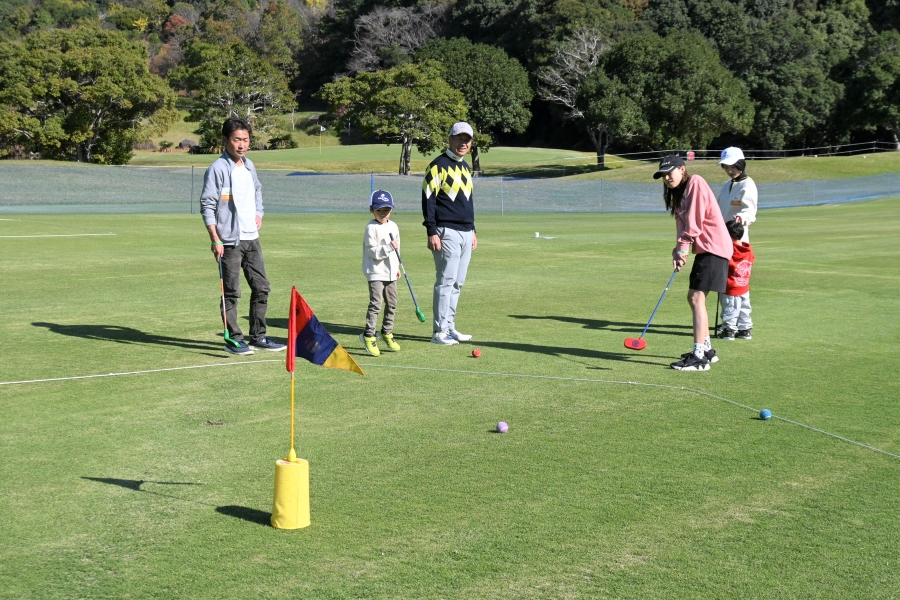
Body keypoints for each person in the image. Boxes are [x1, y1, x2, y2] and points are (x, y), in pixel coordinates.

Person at [200, 117, 285, 355]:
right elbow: (207, 205)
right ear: (226, 140)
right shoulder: (217, 169)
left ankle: (258, 336)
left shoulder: (249, 166)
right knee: (232, 292)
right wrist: (215, 238)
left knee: (262, 287)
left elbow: (257, 189)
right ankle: (234, 339)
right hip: (229, 241)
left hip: (252, 238)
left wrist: (259, 212)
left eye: (245, 140)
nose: (241, 145)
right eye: (237, 139)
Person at [654, 155, 732, 371]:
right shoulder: (677, 196)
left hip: (714, 248)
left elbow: (695, 223)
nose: (667, 177)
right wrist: (679, 251)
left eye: (671, 172)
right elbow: (682, 227)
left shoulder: (696, 182)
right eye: (663, 175)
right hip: (705, 250)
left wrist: (684, 245)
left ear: (682, 169)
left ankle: (699, 357)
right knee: (694, 298)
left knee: (696, 298)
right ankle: (706, 349)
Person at [421, 122, 477, 346]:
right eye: (459, 138)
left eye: (467, 139)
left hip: (465, 233)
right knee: (446, 281)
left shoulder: (465, 167)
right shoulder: (437, 165)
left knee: (458, 283)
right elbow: (428, 199)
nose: (463, 143)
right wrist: (432, 231)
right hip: (446, 231)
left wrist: (473, 230)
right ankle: (439, 332)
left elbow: (468, 202)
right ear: (450, 139)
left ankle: (449, 326)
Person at [716, 147, 758, 339]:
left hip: (737, 239)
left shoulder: (748, 185)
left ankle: (736, 325)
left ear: (741, 163)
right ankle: (738, 324)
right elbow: (718, 209)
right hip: (722, 239)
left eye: (732, 166)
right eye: (726, 166)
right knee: (732, 284)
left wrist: (741, 218)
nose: (729, 170)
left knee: (736, 284)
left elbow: (750, 211)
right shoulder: (727, 184)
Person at [359, 190, 402, 357]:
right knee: (376, 304)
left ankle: (387, 332)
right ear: (372, 210)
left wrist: (396, 267)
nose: (383, 214)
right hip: (376, 272)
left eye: (386, 210)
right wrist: (389, 247)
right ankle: (369, 336)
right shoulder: (371, 228)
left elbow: (397, 250)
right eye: (379, 211)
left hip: (391, 272)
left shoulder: (393, 226)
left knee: (392, 303)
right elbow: (373, 252)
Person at [719, 219, 755, 340]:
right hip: (744, 285)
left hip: (731, 286)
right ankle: (745, 329)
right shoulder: (748, 249)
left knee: (730, 308)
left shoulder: (729, 250)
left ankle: (729, 331)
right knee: (744, 308)